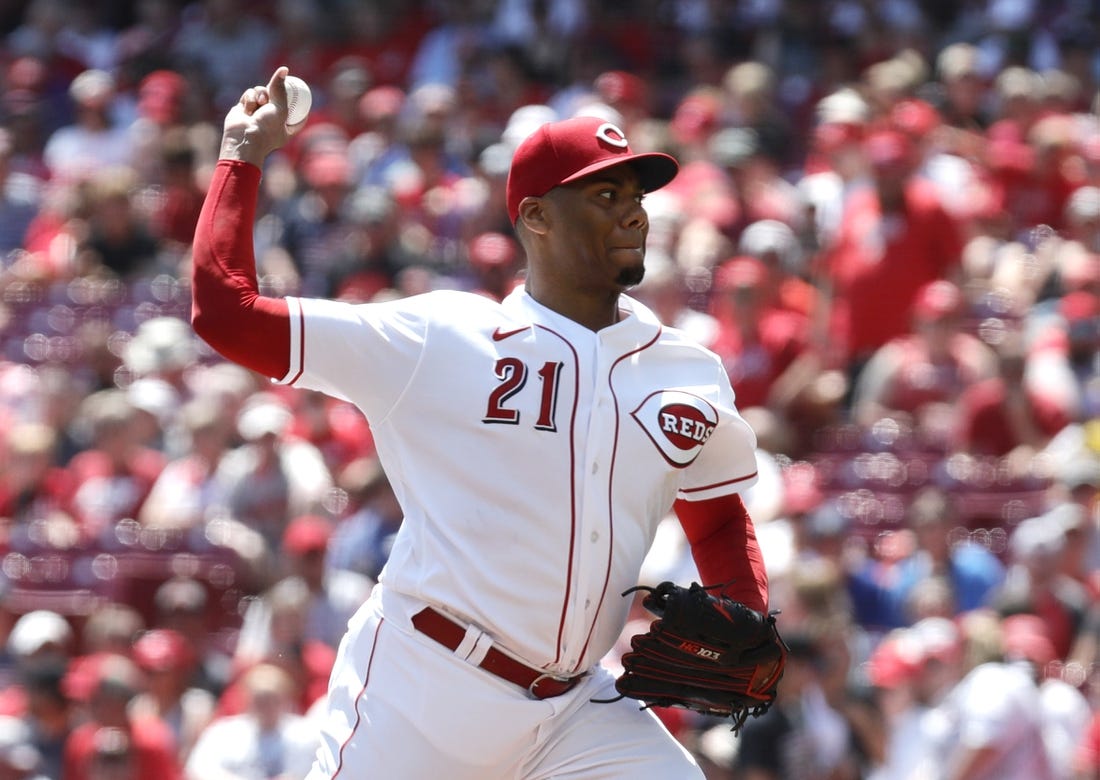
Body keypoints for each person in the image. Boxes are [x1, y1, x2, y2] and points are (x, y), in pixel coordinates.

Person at [191, 67, 771, 779]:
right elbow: (226, 313)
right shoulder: (439, 338)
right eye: (605, 193)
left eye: (636, 195)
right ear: (535, 217)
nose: (635, 213)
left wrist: (744, 616)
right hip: (424, 691)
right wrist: (241, 156)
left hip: (576, 712)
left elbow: (714, 515)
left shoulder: (686, 370)